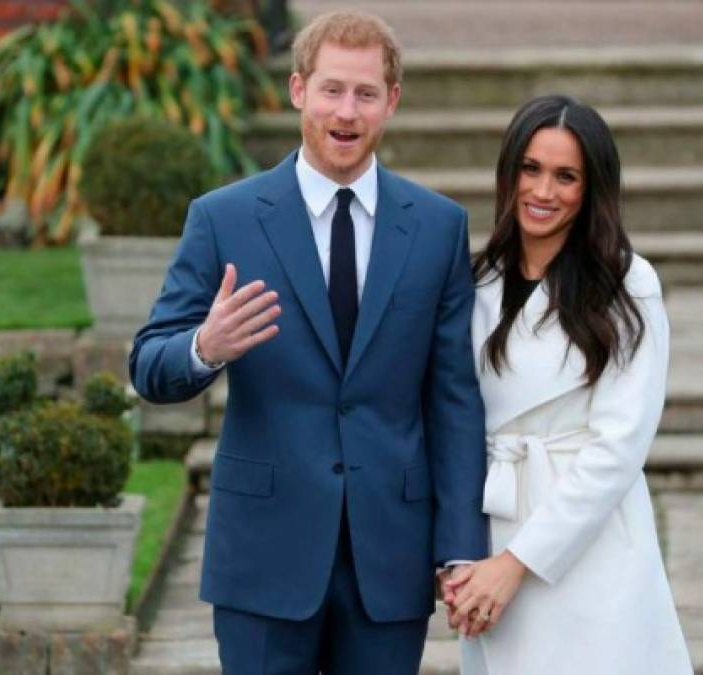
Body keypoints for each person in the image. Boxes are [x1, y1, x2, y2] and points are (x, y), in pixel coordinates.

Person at [129, 11, 488, 675]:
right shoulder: (223, 218)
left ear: (391, 101)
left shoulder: (437, 228)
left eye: (364, 93)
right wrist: (204, 346)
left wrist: (461, 544)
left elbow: (454, 399)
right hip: (263, 555)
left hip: (388, 556)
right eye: (330, 90)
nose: (345, 112)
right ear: (298, 90)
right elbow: (149, 364)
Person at [444, 95, 693, 675]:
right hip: (492, 529)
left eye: (566, 176)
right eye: (530, 169)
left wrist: (517, 561)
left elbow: (619, 447)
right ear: (509, 173)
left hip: (589, 540)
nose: (543, 192)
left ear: (592, 188)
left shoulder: (627, 283)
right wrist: (462, 553)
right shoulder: (478, 279)